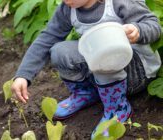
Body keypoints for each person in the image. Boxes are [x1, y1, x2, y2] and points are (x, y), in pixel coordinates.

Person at [11, 0, 162, 138]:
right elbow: (47, 38)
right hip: (102, 69)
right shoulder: (68, 8)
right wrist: (23, 75)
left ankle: (117, 109)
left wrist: (138, 30)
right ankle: (86, 92)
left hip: (137, 73)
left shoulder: (119, 2)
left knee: (104, 51)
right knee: (59, 51)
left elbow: (154, 25)